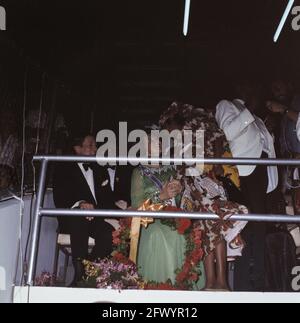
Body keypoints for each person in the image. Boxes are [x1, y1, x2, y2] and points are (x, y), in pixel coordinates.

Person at [160, 102, 248, 291]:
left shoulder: (198, 125)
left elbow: (217, 138)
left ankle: (222, 281)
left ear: (174, 121)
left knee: (215, 220)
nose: (168, 132)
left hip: (209, 181)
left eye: (168, 128)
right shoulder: (177, 140)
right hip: (193, 188)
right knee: (204, 226)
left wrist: (215, 162)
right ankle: (210, 282)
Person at [216, 83, 279, 291]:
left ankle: (259, 280)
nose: (253, 92)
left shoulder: (256, 117)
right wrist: (249, 111)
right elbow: (227, 132)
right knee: (245, 227)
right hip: (242, 174)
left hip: (261, 173)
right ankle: (244, 283)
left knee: (259, 227)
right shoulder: (227, 105)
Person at [131, 134, 205, 288]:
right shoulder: (139, 173)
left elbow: (181, 200)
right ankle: (162, 285)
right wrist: (162, 195)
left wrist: (178, 190)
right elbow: (137, 205)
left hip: (172, 216)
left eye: (158, 139)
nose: (158, 142)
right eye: (151, 141)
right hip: (149, 220)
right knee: (160, 235)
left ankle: (184, 285)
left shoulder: (171, 167)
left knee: (187, 232)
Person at [53, 133, 114, 286]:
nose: (95, 148)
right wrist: (80, 204)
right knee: (78, 220)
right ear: (77, 148)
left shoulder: (100, 169)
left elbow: (107, 200)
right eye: (91, 145)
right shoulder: (63, 168)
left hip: (95, 218)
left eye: (95, 145)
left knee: (110, 234)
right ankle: (79, 274)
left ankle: (87, 273)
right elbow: (60, 197)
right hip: (73, 218)